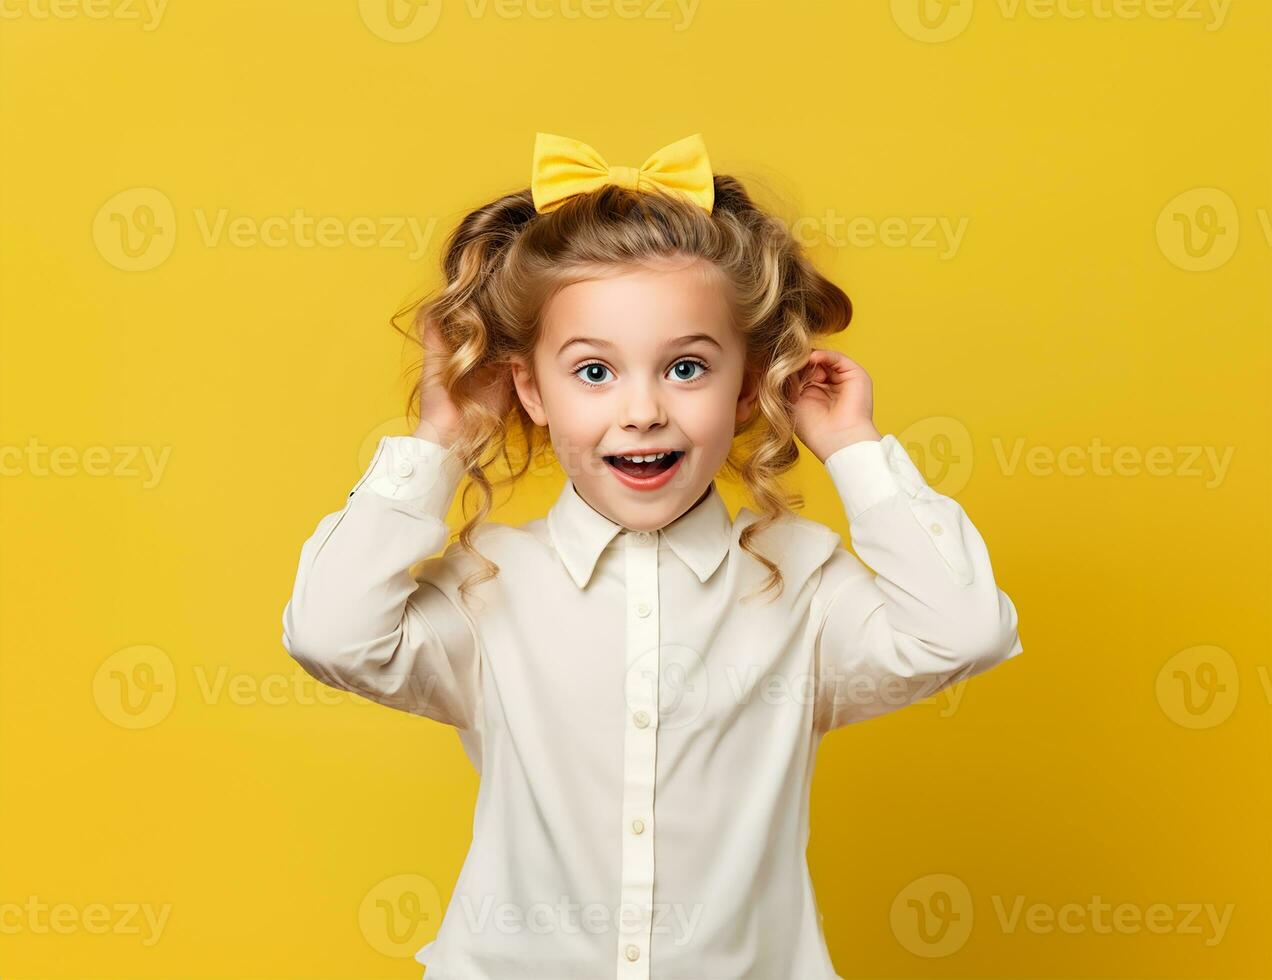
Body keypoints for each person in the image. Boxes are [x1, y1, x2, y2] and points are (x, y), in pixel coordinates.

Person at [281, 132, 1023, 979]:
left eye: (685, 368)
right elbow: (329, 634)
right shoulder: (490, 588)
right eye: (594, 372)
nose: (641, 411)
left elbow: (965, 631)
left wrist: (852, 447)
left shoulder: (803, 587)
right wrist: (440, 435)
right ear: (530, 387)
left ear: (749, 386)